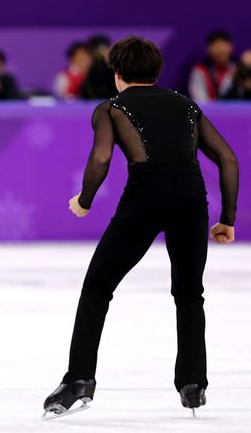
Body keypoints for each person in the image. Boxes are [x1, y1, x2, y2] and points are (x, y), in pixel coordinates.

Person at [43, 36, 239, 419]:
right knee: (188, 292)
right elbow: (228, 160)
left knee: (98, 287)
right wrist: (227, 219)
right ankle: (193, 383)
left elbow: (101, 156)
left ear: (117, 74)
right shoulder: (187, 106)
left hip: (143, 202)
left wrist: (84, 200)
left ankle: (80, 379)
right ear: (156, 71)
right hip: (190, 202)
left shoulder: (111, 108)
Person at [188, 30, 236, 102]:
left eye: (224, 45)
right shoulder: (200, 71)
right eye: (216, 46)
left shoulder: (238, 69)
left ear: (231, 47)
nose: (220, 50)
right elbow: (201, 101)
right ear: (208, 50)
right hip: (209, 112)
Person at [80, 34, 118, 99]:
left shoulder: (113, 67)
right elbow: (86, 90)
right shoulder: (92, 68)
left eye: (105, 47)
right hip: (92, 103)